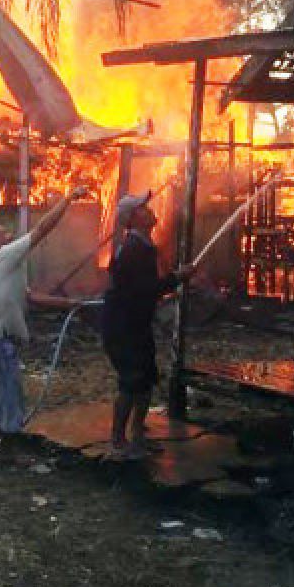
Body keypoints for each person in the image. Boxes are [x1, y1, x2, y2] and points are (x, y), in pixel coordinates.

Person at [0, 186, 88, 465]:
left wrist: (68, 304)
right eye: (3, 233)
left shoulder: (6, 266)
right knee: (9, 396)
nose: (10, 235)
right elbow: (43, 228)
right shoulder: (4, 256)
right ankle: (9, 452)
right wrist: (68, 198)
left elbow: (31, 297)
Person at [101, 193, 193, 460]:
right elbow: (144, 291)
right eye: (143, 208)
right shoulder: (133, 249)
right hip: (123, 328)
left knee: (146, 379)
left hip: (135, 324)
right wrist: (177, 278)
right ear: (132, 218)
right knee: (131, 383)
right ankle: (118, 441)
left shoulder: (142, 246)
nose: (150, 210)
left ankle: (138, 435)